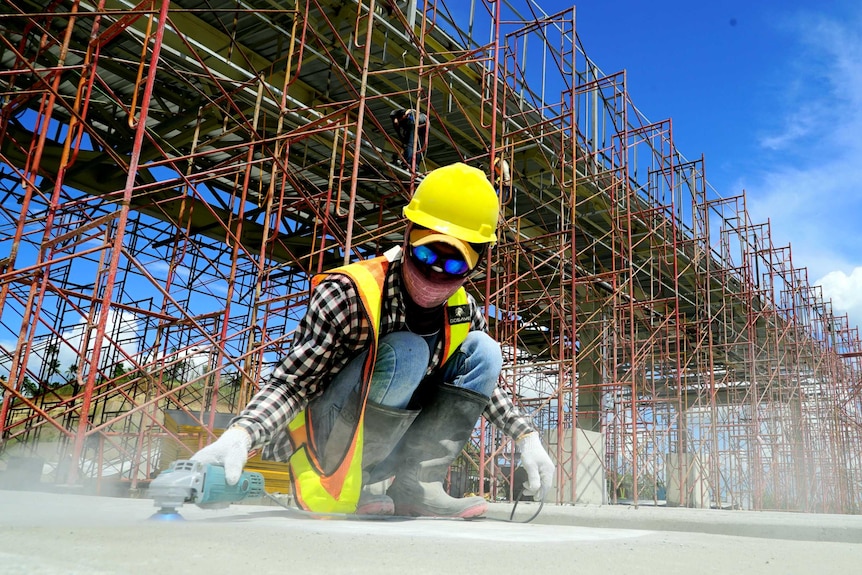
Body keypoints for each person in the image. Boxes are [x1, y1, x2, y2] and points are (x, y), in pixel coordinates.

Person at [192, 163, 555, 519]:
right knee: (408, 352)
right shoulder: (349, 293)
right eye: (426, 253)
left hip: (398, 442)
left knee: (486, 351)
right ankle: (357, 482)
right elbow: (294, 383)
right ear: (408, 233)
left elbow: (483, 388)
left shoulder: (462, 310)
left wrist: (525, 437)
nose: (434, 272)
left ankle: (417, 487)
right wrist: (242, 433)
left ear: (477, 264)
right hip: (329, 446)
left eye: (454, 265)